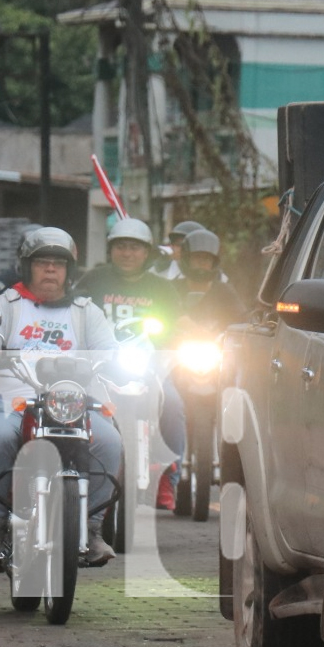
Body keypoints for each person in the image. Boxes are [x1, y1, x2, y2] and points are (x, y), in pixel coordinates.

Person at [0, 226, 120, 565]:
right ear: (27, 266)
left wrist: (120, 362)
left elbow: (109, 348)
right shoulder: (6, 303)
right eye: (43, 262)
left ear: (68, 270)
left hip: (75, 398)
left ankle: (92, 530)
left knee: (110, 440)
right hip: (16, 395)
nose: (51, 269)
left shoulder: (84, 310)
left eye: (58, 264)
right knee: (2, 436)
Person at [74, 217, 189, 509]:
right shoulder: (92, 280)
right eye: (121, 247)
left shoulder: (162, 288)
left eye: (135, 248)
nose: (127, 253)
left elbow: (178, 325)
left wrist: (181, 336)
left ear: (147, 252)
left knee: (173, 403)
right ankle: (75, 471)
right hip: (99, 368)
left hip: (149, 365)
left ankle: (167, 476)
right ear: (111, 250)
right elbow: (73, 314)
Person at [174, 229, 246, 334]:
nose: (202, 262)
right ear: (187, 259)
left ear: (214, 262)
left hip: (215, 346)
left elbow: (242, 320)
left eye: (207, 258)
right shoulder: (172, 288)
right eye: (197, 257)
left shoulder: (225, 292)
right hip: (172, 346)